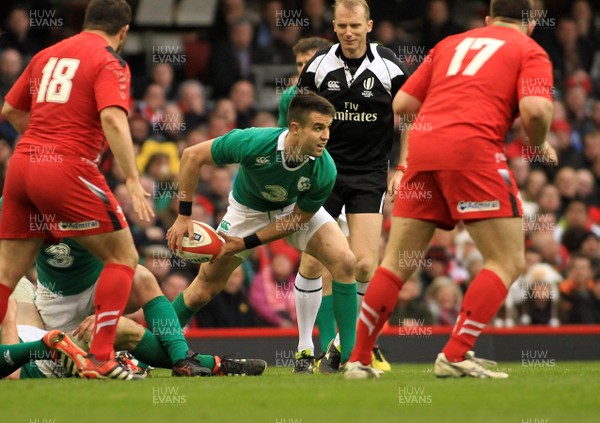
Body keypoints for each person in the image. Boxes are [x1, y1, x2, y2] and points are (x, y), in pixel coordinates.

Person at [344, 0, 559, 379]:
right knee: (506, 261)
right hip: (472, 150)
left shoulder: (450, 43)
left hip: (423, 150)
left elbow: (403, 103)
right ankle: (455, 354)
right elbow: (537, 112)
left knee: (396, 264)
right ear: (533, 21)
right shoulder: (530, 50)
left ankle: (359, 360)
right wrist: (538, 142)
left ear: (489, 19)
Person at [0, 0, 154, 380]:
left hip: (21, 165)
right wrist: (133, 179)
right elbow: (113, 119)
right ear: (124, 32)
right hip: (68, 167)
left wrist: (41, 146)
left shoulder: (47, 54)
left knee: (5, 276)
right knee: (124, 256)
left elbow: (9, 111)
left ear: (86, 22)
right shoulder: (109, 60)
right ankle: (101, 356)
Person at [167, 93, 358, 374]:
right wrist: (184, 215)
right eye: (318, 127)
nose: (326, 136)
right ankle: (148, 345)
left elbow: (296, 219)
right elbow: (192, 155)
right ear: (295, 128)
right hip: (247, 211)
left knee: (346, 261)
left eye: (328, 128)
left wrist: (245, 243)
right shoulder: (254, 142)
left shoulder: (325, 168)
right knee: (204, 288)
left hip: (292, 209)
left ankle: (349, 355)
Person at [294, 0, 409, 373]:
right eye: (342, 26)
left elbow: (410, 116)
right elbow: (298, 119)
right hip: (325, 171)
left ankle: (344, 346)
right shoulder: (318, 66)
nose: (348, 33)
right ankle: (303, 349)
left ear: (369, 25)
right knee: (313, 261)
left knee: (364, 265)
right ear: (334, 26)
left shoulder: (389, 65)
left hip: (370, 174)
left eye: (355, 26)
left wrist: (402, 165)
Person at [277, 37, 332, 128]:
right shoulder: (289, 95)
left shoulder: (341, 91)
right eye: (299, 64)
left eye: (308, 63)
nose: (303, 68)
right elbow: (284, 133)